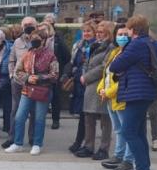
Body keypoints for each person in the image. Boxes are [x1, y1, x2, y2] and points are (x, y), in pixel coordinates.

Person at [108, 15, 157, 170]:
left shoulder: (136, 44)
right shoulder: (154, 44)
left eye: (128, 29)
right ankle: (142, 167)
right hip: (148, 91)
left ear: (133, 30)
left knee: (129, 131)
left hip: (135, 92)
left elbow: (115, 66)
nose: (126, 33)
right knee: (139, 132)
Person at [4, 29, 58, 156]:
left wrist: (39, 78)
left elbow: (55, 75)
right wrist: (27, 77)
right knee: (19, 116)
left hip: (43, 90)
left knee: (39, 118)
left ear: (44, 40)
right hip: (27, 89)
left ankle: (37, 144)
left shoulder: (51, 55)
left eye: (38, 38)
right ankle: (17, 143)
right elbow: (18, 71)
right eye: (33, 38)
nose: (34, 40)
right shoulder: (27, 54)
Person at [73, 21, 114, 160]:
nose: (98, 35)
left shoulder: (111, 47)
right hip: (90, 85)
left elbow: (105, 66)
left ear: (108, 33)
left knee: (105, 119)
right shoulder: (95, 45)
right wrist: (83, 74)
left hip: (102, 84)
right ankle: (88, 146)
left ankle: (104, 148)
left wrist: (87, 76)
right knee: (88, 117)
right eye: (97, 32)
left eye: (101, 32)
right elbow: (87, 62)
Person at [98, 24, 135, 170]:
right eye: (119, 34)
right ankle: (118, 156)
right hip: (109, 97)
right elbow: (106, 73)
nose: (122, 37)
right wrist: (101, 89)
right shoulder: (115, 52)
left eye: (125, 34)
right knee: (119, 130)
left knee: (127, 130)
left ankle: (128, 160)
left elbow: (124, 79)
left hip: (120, 97)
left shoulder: (129, 54)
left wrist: (109, 92)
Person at [2, 16, 38, 149]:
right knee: (15, 110)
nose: (28, 26)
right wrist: (12, 74)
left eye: (31, 24)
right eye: (26, 24)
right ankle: (13, 138)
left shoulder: (41, 40)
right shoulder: (17, 42)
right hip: (18, 81)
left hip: (34, 82)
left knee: (34, 111)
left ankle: (33, 138)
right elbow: (11, 60)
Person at [65, 22, 94, 153]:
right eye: (84, 31)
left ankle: (84, 143)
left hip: (90, 83)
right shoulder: (78, 45)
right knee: (82, 115)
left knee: (87, 116)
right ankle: (80, 142)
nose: (86, 33)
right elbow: (72, 62)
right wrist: (67, 73)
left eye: (89, 31)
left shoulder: (96, 46)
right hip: (78, 83)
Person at [46, 17, 71, 130]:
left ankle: (56, 120)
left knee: (56, 97)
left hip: (55, 72)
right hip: (41, 72)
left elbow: (66, 56)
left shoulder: (57, 38)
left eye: (51, 23)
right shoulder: (39, 37)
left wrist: (60, 69)